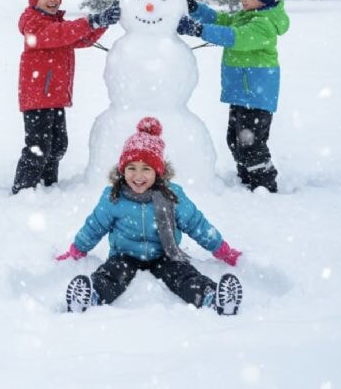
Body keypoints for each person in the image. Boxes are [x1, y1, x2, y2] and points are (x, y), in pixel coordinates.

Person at [56, 117, 244, 315]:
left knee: (184, 275)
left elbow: (197, 224)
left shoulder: (171, 196)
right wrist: (77, 249)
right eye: (132, 168)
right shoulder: (114, 197)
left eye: (146, 169)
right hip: (125, 255)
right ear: (122, 171)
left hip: (164, 254)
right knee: (111, 275)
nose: (138, 176)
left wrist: (222, 249)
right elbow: (94, 227)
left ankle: (212, 298)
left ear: (158, 172)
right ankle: (89, 296)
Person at [177, 0, 290, 193]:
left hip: (256, 95)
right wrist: (194, 8)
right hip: (241, 93)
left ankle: (264, 184)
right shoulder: (245, 16)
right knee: (234, 139)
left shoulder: (263, 25)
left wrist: (198, 30)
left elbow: (235, 37)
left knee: (251, 143)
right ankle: (246, 177)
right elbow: (219, 19)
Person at [11, 0, 121, 194]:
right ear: (34, 0)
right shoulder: (32, 23)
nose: (53, 0)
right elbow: (60, 34)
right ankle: (24, 189)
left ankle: (48, 185)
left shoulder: (57, 24)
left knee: (58, 145)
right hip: (37, 97)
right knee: (38, 147)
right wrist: (91, 20)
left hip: (55, 96)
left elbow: (81, 38)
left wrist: (103, 22)